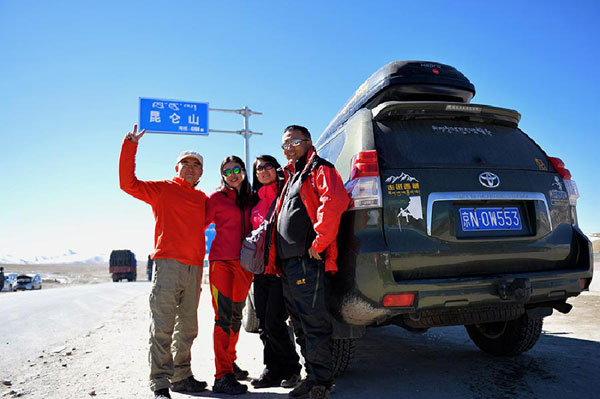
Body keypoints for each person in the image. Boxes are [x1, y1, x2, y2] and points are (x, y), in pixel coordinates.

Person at [119, 124, 208, 399]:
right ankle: (160, 383)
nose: (191, 168)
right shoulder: (162, 190)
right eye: (185, 163)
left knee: (189, 327)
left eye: (196, 164)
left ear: (201, 172)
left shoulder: (204, 199)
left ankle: (182, 376)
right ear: (176, 168)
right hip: (168, 265)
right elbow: (127, 183)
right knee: (163, 326)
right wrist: (130, 145)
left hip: (194, 269)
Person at [265, 125, 350, 399]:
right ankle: (311, 375)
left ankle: (321, 382)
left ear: (308, 142)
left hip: (307, 260)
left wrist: (320, 242)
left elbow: (335, 199)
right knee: (299, 323)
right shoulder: (292, 176)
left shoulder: (319, 168)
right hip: (288, 265)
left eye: (294, 142)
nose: (289, 148)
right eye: (284, 145)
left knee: (313, 322)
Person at [249, 155, 302, 389]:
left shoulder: (285, 193)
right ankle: (271, 368)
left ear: (276, 169)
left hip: (280, 268)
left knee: (275, 321)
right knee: (263, 323)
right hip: (260, 269)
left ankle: (292, 368)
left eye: (268, 165)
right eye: (259, 168)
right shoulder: (254, 201)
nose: (263, 170)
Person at [205, 155, 254, 395]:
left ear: (243, 172)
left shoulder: (251, 199)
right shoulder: (216, 199)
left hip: (244, 265)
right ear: (222, 176)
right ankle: (221, 376)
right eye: (227, 171)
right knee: (222, 318)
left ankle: (230, 363)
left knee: (236, 317)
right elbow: (197, 226)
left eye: (236, 169)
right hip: (221, 264)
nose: (232, 174)